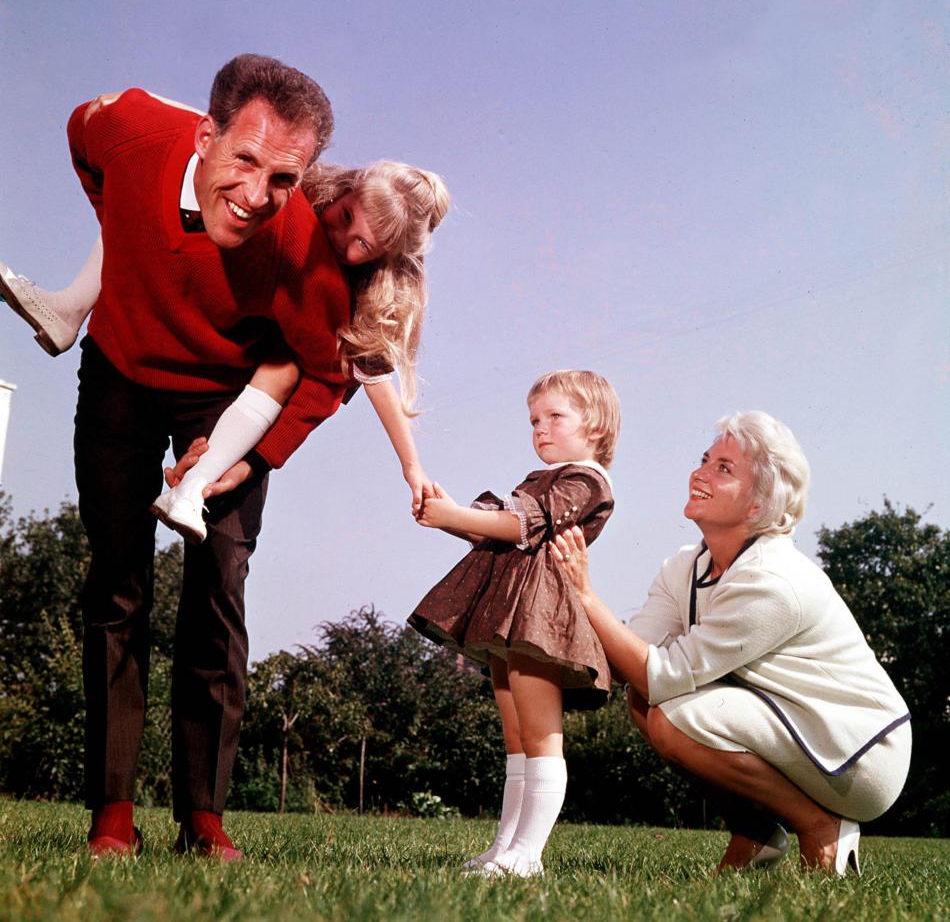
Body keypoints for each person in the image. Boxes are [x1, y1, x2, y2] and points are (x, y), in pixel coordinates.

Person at [5, 53, 353, 860]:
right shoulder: (130, 132)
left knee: (219, 586)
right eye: (245, 161)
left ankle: (204, 815)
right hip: (121, 374)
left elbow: (329, 370)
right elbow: (79, 132)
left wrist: (251, 452)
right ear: (204, 135)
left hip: (225, 403)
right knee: (117, 582)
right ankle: (113, 812)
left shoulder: (298, 247)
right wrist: (117, 226)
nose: (259, 195)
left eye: (285, 179)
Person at [1, 156, 449, 538]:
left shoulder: (372, 291)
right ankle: (71, 305)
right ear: (348, 189)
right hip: (206, 310)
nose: (342, 237)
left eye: (363, 246)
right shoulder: (300, 188)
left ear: (384, 258)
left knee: (286, 365)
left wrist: (411, 466)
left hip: (252, 376)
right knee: (163, 195)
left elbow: (373, 376)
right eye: (347, 216)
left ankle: (191, 487)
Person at [552, 411, 912, 875]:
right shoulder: (684, 566)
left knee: (670, 712)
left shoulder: (773, 578)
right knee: (646, 703)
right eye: (705, 459)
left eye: (724, 468)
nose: (700, 473)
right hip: (794, 728)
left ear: (757, 506)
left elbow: (662, 676)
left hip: (859, 755)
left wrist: (584, 593)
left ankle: (821, 825)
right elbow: (631, 657)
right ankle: (756, 832)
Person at [409, 370, 621, 877]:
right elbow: (498, 534)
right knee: (517, 737)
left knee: (541, 734)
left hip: (539, 614)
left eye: (555, 417)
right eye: (533, 420)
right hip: (511, 611)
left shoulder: (586, 480)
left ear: (593, 425)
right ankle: (505, 849)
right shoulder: (539, 478)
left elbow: (517, 524)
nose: (540, 429)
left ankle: (528, 856)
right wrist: (452, 513)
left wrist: (454, 515)